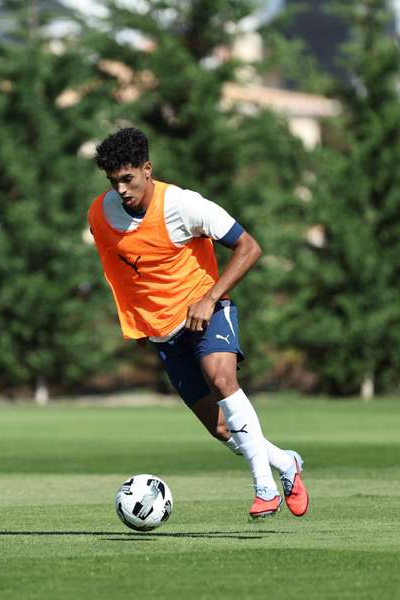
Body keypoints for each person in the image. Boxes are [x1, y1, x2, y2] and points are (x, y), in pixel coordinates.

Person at [87, 127, 309, 519]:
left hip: (209, 311)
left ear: (147, 169)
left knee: (223, 380)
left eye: (128, 179)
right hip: (162, 332)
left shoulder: (185, 206)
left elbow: (249, 247)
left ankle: (264, 488)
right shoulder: (101, 215)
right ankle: (286, 464)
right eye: (113, 181)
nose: (120, 189)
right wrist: (136, 320)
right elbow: (119, 268)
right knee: (222, 429)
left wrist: (208, 299)